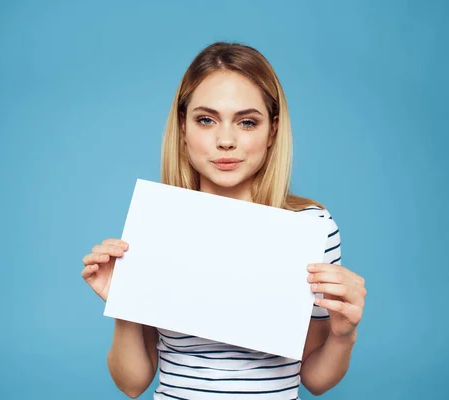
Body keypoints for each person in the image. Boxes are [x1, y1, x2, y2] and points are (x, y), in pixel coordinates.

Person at [81, 41, 367, 399]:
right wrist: (123, 301)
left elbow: (316, 379)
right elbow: (132, 383)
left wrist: (345, 333)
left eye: (247, 122)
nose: (226, 140)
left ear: (272, 130)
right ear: (183, 127)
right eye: (206, 119)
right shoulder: (158, 222)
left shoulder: (311, 229)